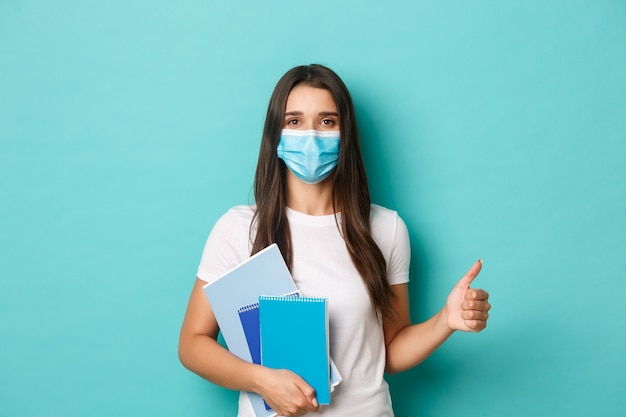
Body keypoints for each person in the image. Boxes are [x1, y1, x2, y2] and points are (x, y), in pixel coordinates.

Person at [178, 64, 491, 417]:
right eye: (294, 121)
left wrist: (445, 321)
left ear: (346, 134)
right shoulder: (238, 228)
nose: (310, 136)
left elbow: (390, 352)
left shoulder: (386, 229)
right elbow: (192, 344)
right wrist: (260, 380)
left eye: (327, 121)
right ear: (275, 135)